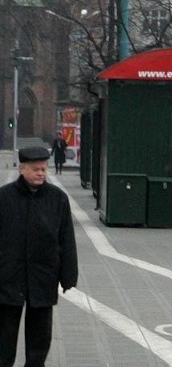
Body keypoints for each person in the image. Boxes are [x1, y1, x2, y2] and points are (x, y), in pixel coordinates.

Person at [0, 146, 78, 367]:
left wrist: (68, 276)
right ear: (21, 169)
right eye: (36, 169)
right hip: (7, 279)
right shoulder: (4, 198)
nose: (41, 173)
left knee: (39, 341)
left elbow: (66, 241)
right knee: (4, 339)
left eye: (44, 169)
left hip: (43, 278)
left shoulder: (57, 199)